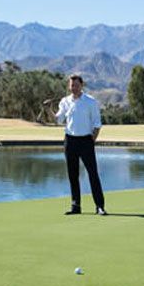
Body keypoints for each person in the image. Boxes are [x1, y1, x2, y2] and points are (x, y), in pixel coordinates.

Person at [45, 74, 107, 216]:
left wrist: (93, 140)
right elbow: (58, 120)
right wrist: (48, 109)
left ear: (82, 85)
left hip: (86, 141)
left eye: (77, 85)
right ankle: (76, 206)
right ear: (69, 86)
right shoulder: (65, 101)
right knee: (73, 175)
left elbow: (97, 124)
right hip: (70, 141)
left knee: (93, 174)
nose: (74, 88)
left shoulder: (90, 102)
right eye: (72, 85)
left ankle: (99, 206)